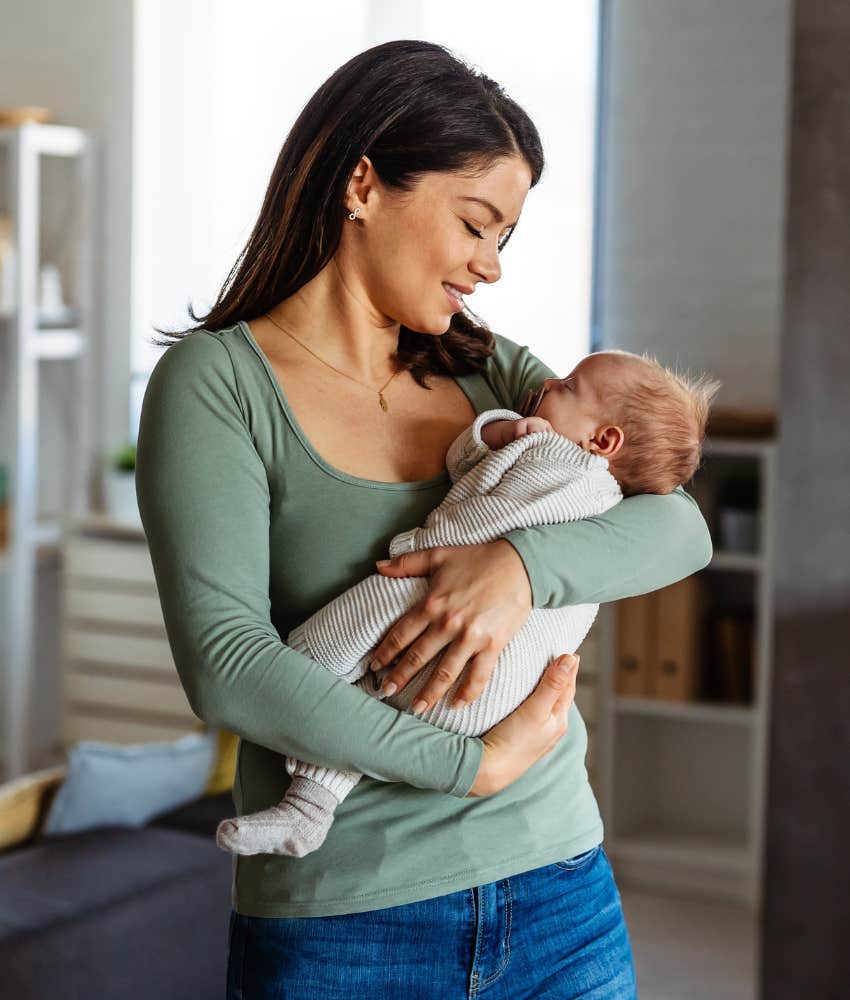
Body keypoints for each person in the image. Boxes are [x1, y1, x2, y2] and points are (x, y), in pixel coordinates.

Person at [135, 39, 713, 999]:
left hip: (560, 891)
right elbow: (226, 663)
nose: (489, 267)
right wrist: (468, 768)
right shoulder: (217, 385)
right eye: (477, 224)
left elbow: (681, 529)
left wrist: (518, 568)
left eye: (506, 240)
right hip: (346, 925)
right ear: (363, 183)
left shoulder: (489, 368)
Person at [214, 349, 720, 860]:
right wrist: (503, 432)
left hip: (468, 648)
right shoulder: (599, 488)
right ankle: (309, 810)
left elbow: (482, 522)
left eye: (568, 385)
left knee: (314, 662)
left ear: (603, 439)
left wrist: (480, 559)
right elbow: (485, 475)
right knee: (369, 694)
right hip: (483, 705)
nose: (548, 382)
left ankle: (305, 765)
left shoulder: (563, 466)